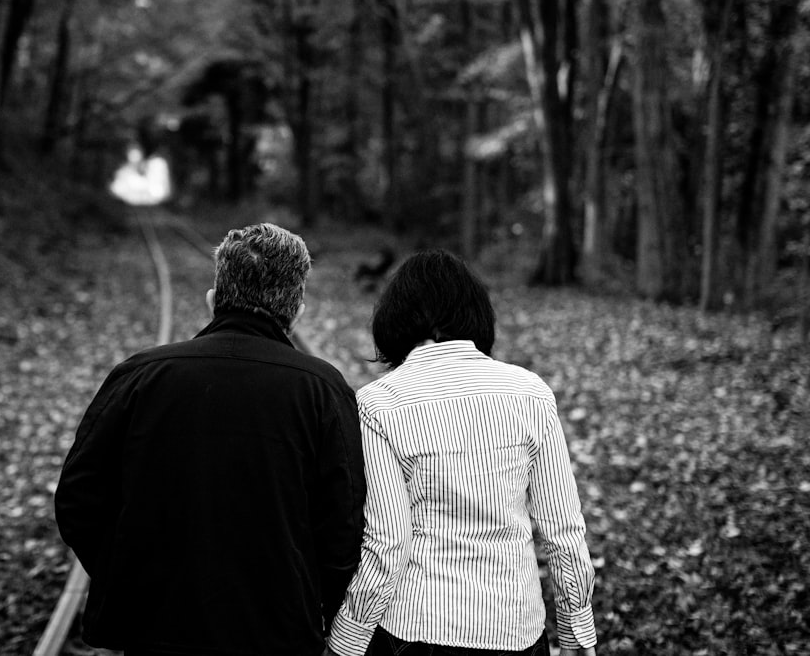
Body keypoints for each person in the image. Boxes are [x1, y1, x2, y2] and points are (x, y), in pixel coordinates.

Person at [55, 222, 366, 656]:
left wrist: (127, 575)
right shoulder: (323, 389)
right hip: (275, 632)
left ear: (212, 300)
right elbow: (344, 524)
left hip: (154, 627)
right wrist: (309, 603)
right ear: (297, 313)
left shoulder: (140, 376)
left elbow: (78, 498)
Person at [328, 250, 597, 656]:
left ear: (395, 319)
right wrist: (577, 630)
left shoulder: (377, 404)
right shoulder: (530, 393)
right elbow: (563, 531)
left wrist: (348, 638)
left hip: (418, 628)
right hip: (516, 629)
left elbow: (387, 541)